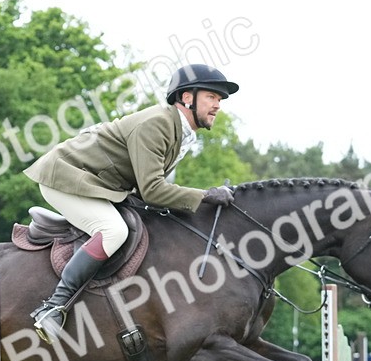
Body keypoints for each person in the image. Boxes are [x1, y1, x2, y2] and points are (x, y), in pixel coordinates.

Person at [23, 63, 240, 342]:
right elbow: (152, 190)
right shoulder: (157, 124)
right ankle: (53, 306)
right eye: (212, 97)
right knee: (114, 231)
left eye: (219, 100)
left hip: (101, 184)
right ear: (187, 97)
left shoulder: (179, 132)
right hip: (66, 177)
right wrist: (204, 196)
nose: (218, 105)